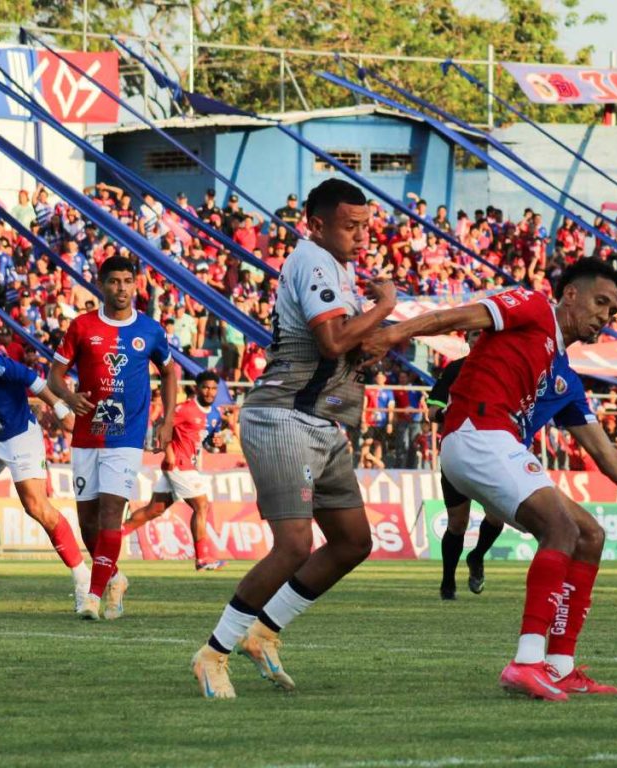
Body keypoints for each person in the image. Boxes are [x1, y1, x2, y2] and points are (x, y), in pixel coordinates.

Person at [363, 258, 617, 700]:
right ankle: (526, 662)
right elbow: (456, 317)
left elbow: (607, 456)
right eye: (600, 302)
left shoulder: (565, 378)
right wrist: (392, 334)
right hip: (477, 432)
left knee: (590, 535)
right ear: (571, 294)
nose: (605, 316)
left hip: (496, 445)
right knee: (561, 529)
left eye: (612, 310)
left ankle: (559, 666)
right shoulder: (532, 306)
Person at [191, 179, 396, 700]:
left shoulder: (340, 269)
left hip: (322, 421)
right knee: (294, 545)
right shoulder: (312, 260)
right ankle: (213, 653)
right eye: (351, 226)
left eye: (366, 227)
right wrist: (386, 307)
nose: (362, 237)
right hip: (283, 416)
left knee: (353, 541)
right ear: (317, 225)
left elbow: (349, 345)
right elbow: (333, 340)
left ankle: (263, 632)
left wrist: (372, 339)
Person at [48, 255, 177, 621]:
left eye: (127, 281)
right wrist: (68, 396)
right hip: (87, 436)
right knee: (87, 523)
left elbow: (169, 373)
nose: (121, 288)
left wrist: (167, 420)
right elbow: (55, 374)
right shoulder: (82, 326)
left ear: (135, 285)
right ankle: (115, 578)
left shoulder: (150, 330)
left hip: (127, 436)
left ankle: (93, 596)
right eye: (114, 281)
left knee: (110, 512)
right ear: (101, 285)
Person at [0, 344, 87, 610]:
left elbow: (29, 377)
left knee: (36, 507)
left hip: (18, 434)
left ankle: (83, 578)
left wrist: (60, 409)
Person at [425, 331, 506, 600]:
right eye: (473, 335)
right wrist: (451, 412)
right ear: (467, 341)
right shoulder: (454, 370)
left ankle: (477, 556)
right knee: (457, 523)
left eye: (483, 335)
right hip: (457, 452)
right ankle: (448, 582)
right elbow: (432, 412)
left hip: (491, 455)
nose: (478, 339)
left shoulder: (504, 370)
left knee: (497, 517)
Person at [121, 371, 227, 571]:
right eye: (206, 387)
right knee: (202, 506)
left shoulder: (215, 414)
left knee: (154, 510)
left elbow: (207, 442)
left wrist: (216, 443)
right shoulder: (184, 409)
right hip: (178, 463)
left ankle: (111, 537)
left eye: (214, 388)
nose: (210, 392)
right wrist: (168, 451)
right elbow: (162, 425)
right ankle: (203, 558)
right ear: (196, 388)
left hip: (188, 464)